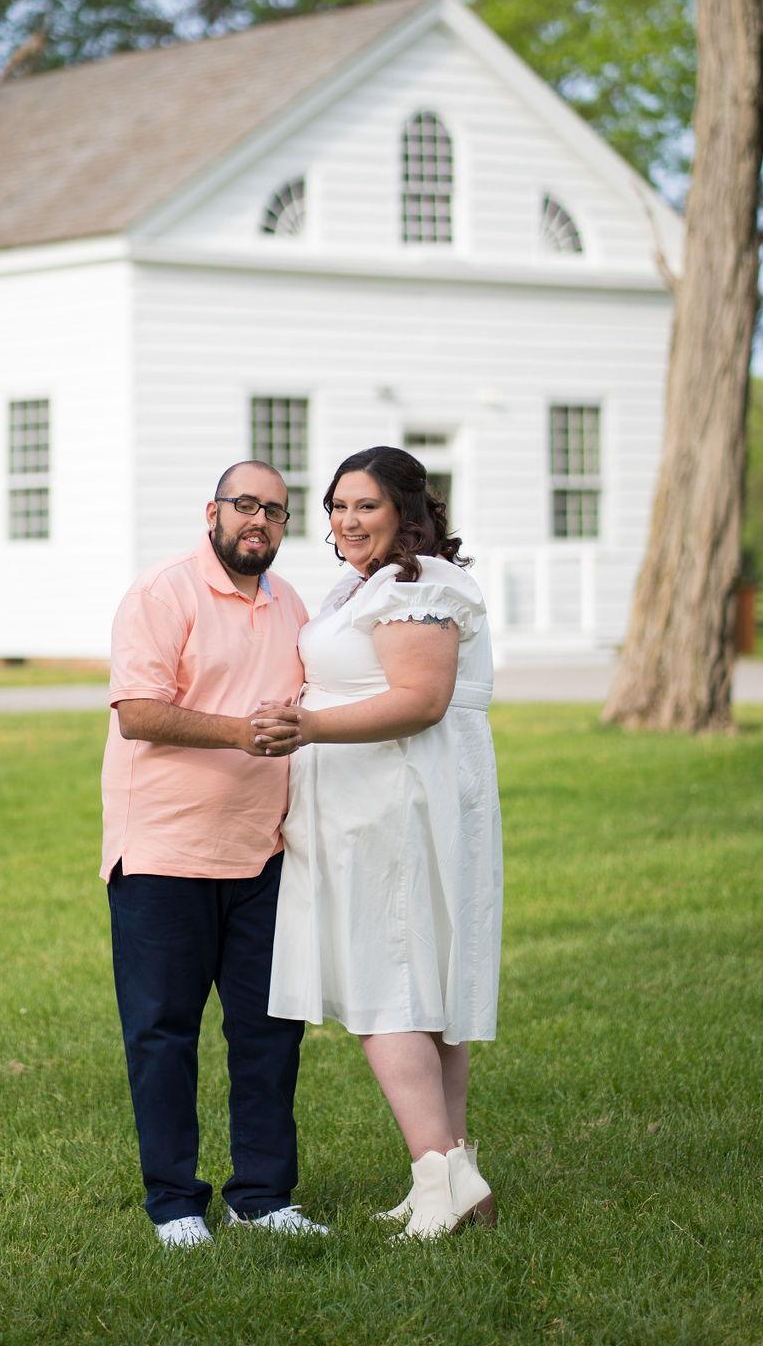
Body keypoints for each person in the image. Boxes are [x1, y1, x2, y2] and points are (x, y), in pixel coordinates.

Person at [253, 446, 502, 1240]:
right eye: (336, 507)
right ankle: (454, 1174)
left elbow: (422, 699)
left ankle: (439, 1179)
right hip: (363, 805)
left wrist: (311, 724)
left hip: (396, 805)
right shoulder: (368, 586)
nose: (347, 521)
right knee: (417, 985)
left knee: (387, 984)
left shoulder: (419, 586)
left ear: (406, 510)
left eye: (365, 506)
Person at [100, 461, 329, 1249]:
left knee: (269, 1031)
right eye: (245, 505)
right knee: (164, 1033)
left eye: (275, 509)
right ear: (214, 511)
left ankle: (264, 1198)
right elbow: (137, 712)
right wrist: (240, 731)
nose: (258, 520)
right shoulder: (164, 593)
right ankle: (175, 1204)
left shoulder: (291, 603)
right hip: (164, 851)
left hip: (261, 853)